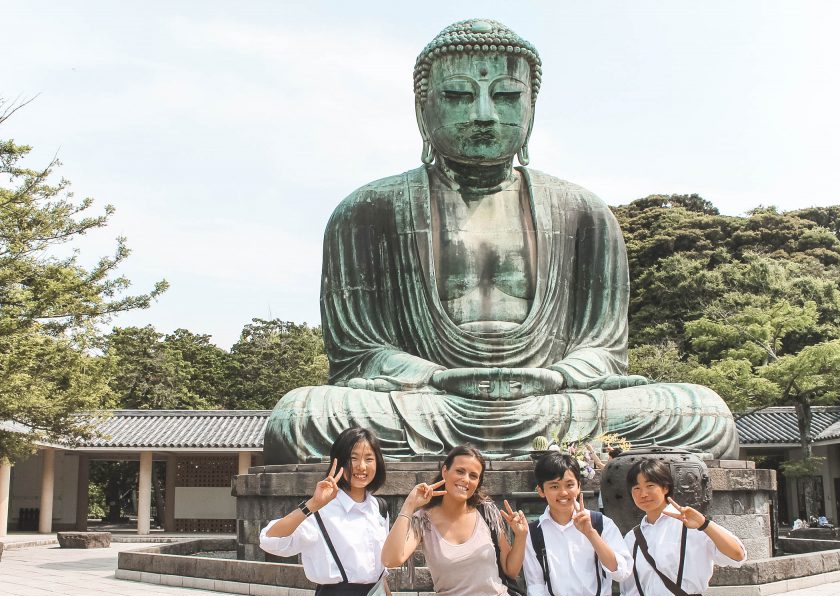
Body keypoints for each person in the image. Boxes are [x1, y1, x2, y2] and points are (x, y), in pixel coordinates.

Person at [263, 18, 738, 464]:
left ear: (531, 107)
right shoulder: (367, 211)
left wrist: (557, 376)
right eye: (458, 95)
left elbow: (604, 350)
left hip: (554, 401)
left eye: (507, 96)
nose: (484, 115)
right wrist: (436, 376)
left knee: (702, 413)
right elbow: (359, 353)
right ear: (422, 109)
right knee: (302, 416)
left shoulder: (584, 212)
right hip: (428, 403)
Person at [259, 427, 400, 596]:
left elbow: (380, 568)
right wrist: (311, 505)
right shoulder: (321, 510)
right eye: (353, 458)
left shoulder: (380, 508)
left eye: (369, 459)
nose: (361, 467)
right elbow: (270, 540)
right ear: (339, 461)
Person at [381, 445, 527, 596]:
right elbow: (391, 559)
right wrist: (409, 506)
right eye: (460, 471)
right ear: (444, 471)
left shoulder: (487, 512)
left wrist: (521, 536)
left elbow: (510, 569)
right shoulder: (423, 519)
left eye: (473, 475)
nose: (465, 479)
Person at [619, 459, 746, 596]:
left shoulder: (691, 524)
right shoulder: (631, 538)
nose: (643, 494)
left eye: (650, 485)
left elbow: (737, 555)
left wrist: (704, 524)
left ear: (665, 487)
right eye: (636, 488)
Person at [523, 452, 631, 596]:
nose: (563, 492)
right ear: (541, 490)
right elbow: (537, 590)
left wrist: (591, 534)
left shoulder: (601, 523)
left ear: (579, 486)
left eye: (569, 484)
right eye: (554, 486)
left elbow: (621, 571)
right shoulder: (533, 533)